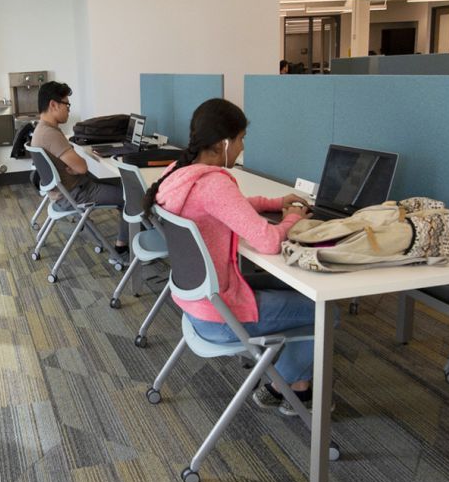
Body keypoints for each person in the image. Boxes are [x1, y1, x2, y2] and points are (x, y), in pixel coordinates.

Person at [142, 98, 321, 416]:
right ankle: (289, 389)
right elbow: (267, 241)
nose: (241, 149)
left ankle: (289, 382)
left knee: (299, 291)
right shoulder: (213, 183)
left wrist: (275, 201)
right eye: (241, 140)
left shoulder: (179, 172)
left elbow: (227, 205)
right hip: (220, 316)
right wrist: (295, 217)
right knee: (323, 312)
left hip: (195, 303)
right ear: (224, 142)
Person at [31, 81, 128, 263]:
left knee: (120, 184)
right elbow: (82, 167)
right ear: (53, 105)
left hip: (65, 192)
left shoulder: (42, 130)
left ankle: (129, 232)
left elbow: (77, 167)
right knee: (131, 196)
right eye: (66, 104)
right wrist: (76, 165)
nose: (68, 109)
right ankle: (122, 249)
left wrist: (74, 166)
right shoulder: (50, 134)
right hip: (76, 195)